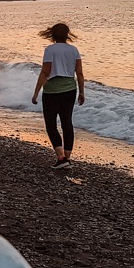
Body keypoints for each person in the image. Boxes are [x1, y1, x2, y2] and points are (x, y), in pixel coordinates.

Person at [30, 22, 86, 169]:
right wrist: (81, 92)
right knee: (67, 123)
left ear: (52, 35)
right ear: (67, 34)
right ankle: (67, 158)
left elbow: (45, 72)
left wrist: (36, 92)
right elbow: (79, 73)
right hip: (70, 89)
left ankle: (61, 157)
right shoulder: (74, 50)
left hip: (52, 90)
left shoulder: (50, 50)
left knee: (51, 124)